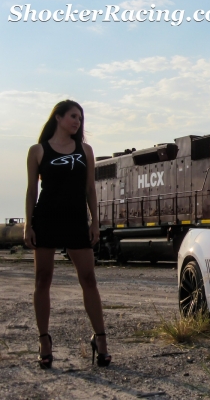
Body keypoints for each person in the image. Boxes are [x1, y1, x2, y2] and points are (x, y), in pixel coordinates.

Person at [24, 100, 111, 368]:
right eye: (73, 116)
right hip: (47, 219)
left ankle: (101, 340)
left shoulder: (85, 150)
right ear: (59, 117)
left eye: (80, 118)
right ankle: (44, 341)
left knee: (88, 278)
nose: (78, 122)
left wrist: (95, 222)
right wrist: (29, 223)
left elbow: (90, 190)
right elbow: (32, 191)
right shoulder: (38, 151)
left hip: (75, 221)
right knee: (43, 279)